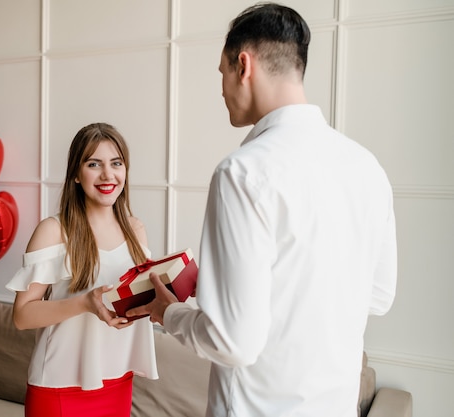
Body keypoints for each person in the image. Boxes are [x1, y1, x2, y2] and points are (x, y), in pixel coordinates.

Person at [127, 3, 397, 417]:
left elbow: (233, 343)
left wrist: (170, 313)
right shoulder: (367, 167)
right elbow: (378, 296)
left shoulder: (242, 172)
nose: (221, 89)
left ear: (243, 65)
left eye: (221, 73)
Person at [6, 122, 158, 417]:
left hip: (117, 380)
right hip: (59, 387)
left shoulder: (136, 231)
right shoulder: (53, 231)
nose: (107, 175)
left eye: (116, 163)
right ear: (76, 174)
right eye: (93, 164)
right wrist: (85, 303)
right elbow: (22, 316)